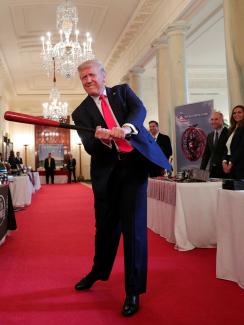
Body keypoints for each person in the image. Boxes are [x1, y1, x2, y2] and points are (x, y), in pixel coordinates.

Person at [72, 59, 171, 317]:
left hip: (134, 168)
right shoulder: (80, 113)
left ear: (103, 76)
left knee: (133, 229)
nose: (88, 80)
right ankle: (98, 271)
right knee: (105, 228)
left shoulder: (123, 92)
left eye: (92, 75)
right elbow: (90, 147)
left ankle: (133, 290)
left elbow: (139, 111)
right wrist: (101, 139)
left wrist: (126, 128)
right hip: (107, 174)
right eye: (83, 78)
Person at [200, 111, 228, 178]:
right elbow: (206, 154)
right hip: (212, 171)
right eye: (212, 119)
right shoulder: (210, 136)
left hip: (226, 171)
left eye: (216, 119)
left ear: (222, 120)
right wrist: (201, 171)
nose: (213, 122)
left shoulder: (229, 133)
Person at [222, 105, 244, 179]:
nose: (236, 114)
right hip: (230, 164)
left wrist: (231, 163)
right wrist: (224, 161)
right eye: (234, 113)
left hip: (240, 165)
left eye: (239, 112)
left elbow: (241, 148)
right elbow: (226, 147)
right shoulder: (232, 129)